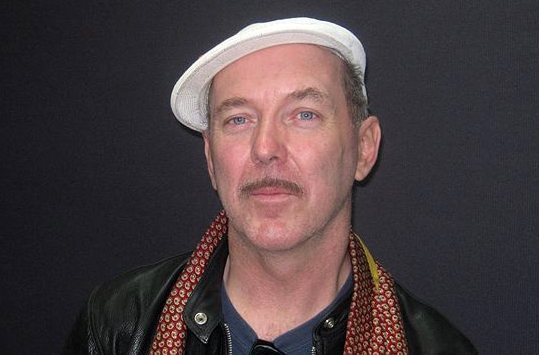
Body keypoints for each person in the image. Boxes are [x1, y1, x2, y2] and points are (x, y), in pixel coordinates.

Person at [63, 18, 476, 354]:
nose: (265, 148)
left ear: (364, 149)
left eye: (304, 115)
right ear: (210, 159)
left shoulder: (433, 347)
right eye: (238, 119)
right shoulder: (119, 326)